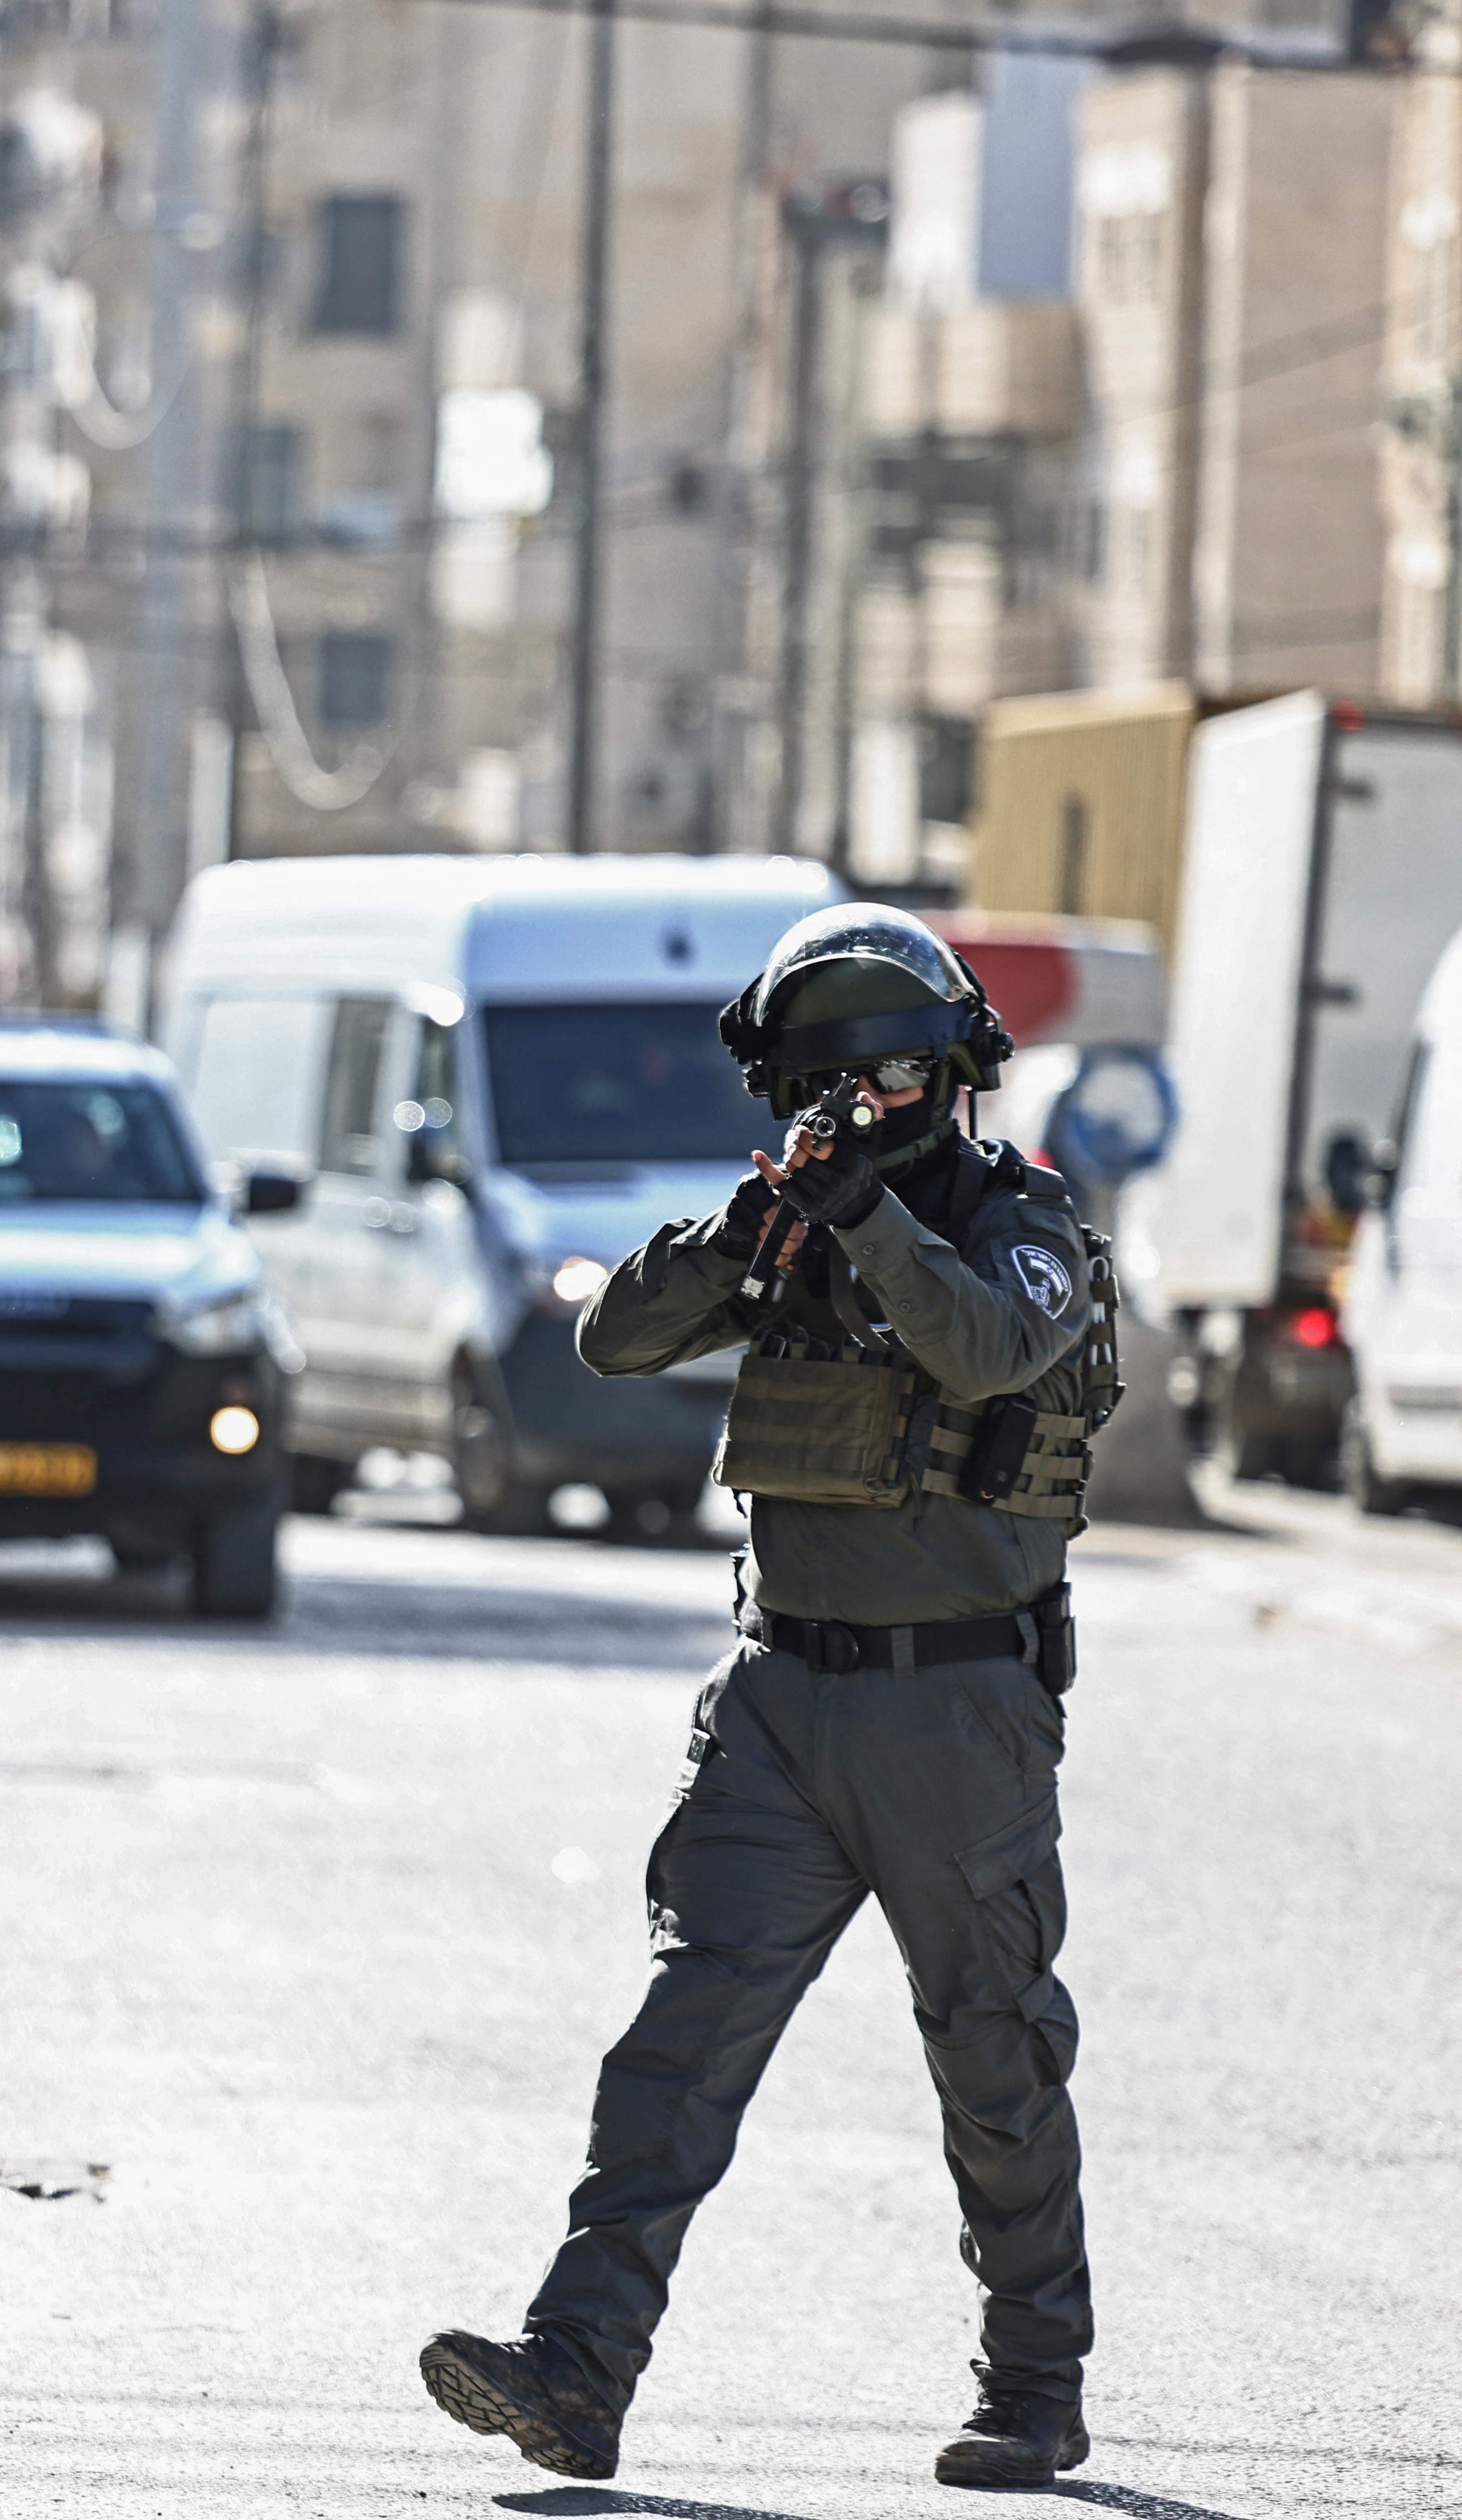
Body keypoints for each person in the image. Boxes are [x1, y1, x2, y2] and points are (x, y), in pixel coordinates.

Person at [420, 906, 1111, 2490]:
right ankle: (577, 2369)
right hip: (781, 1698)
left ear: (945, 1081)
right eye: (824, 1090)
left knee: (992, 2051)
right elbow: (611, 1337)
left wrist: (868, 1217)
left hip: (958, 1707)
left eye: (880, 1085)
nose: (851, 1113)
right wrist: (751, 1230)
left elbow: (992, 1345)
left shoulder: (1031, 1228)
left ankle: (1035, 2383)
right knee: (677, 2040)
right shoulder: (797, 1215)